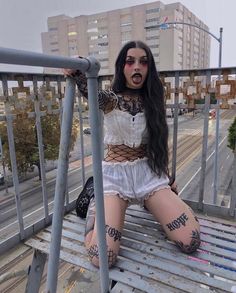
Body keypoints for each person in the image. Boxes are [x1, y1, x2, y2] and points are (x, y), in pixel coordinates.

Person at [63, 40, 201, 268]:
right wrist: (79, 72)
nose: (137, 67)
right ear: (122, 67)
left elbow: (156, 143)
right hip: (115, 179)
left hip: (148, 175)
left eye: (143, 62)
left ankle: (160, 204)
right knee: (102, 258)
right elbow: (95, 95)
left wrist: (166, 178)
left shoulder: (154, 99)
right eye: (130, 61)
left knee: (190, 241)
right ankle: (95, 207)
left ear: (149, 68)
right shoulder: (112, 99)